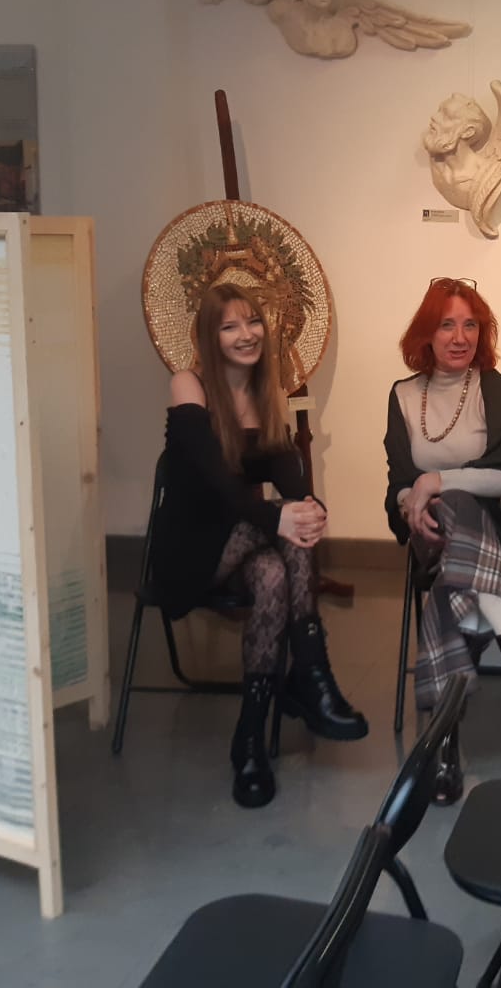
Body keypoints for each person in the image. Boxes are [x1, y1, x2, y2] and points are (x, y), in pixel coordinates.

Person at [153, 282, 367, 810]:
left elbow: (291, 479)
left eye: (252, 322)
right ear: (209, 336)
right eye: (230, 326)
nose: (246, 334)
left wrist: (311, 509)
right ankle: (311, 675)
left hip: (245, 542)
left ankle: (249, 737)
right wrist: (282, 516)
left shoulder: (265, 392)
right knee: (280, 527)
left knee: (274, 572)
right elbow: (216, 483)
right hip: (191, 550)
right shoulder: (188, 386)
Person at [384, 278, 501, 804]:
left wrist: (437, 481)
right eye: (447, 325)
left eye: (470, 325)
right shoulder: (403, 395)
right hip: (432, 537)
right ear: (426, 333)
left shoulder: (493, 388)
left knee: (450, 589)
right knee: (450, 509)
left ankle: (445, 746)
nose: (460, 337)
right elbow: (398, 481)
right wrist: (413, 501)